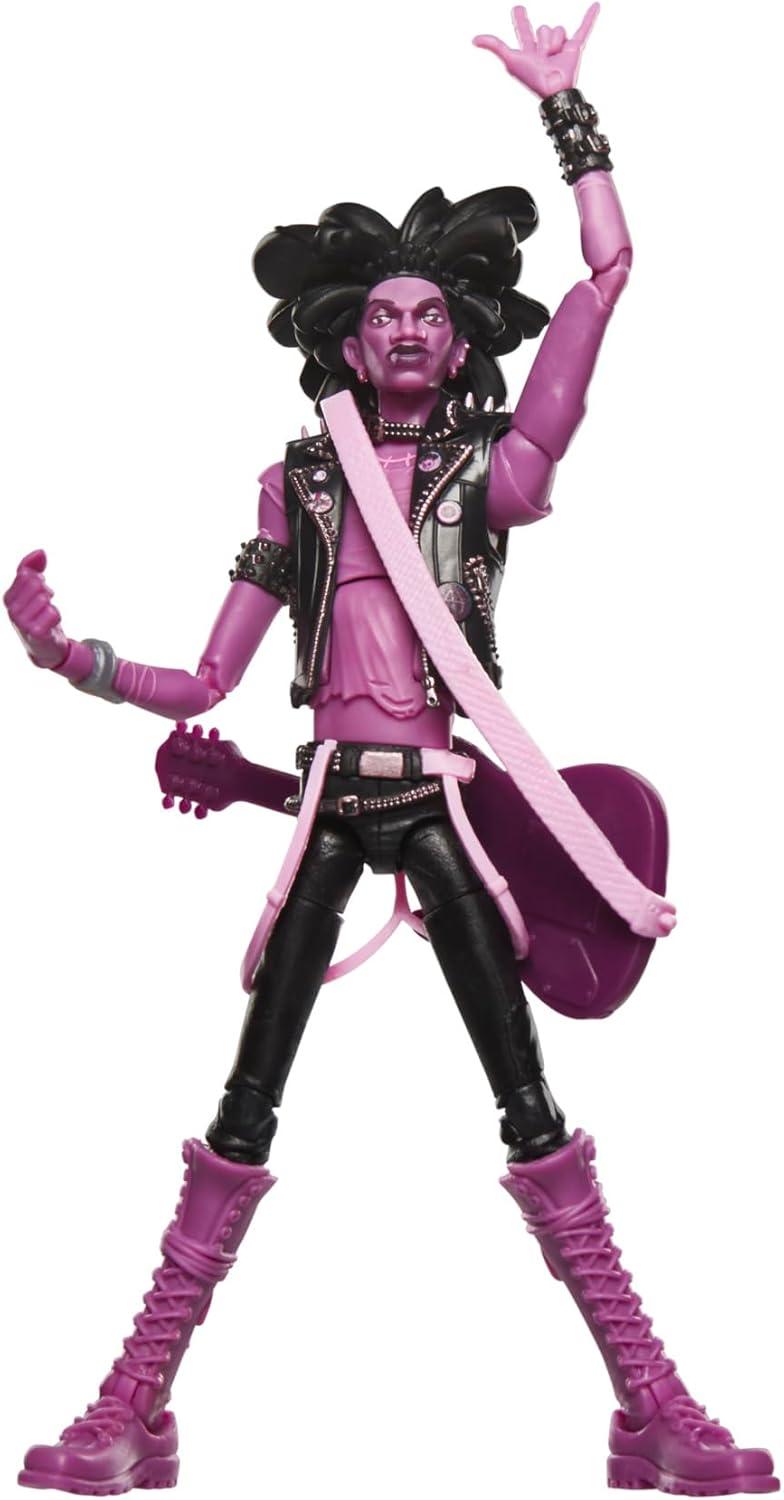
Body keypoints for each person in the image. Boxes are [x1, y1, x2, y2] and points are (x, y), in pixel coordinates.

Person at [4, 7, 778, 1496]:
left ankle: (650, 1405)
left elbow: (609, 280)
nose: (408, 329)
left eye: (431, 313)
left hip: (441, 810)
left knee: (532, 1111)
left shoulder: (494, 471)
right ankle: (135, 1404)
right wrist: (65, 656)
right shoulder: (299, 484)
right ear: (346, 342)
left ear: (463, 335)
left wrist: (570, 117)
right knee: (241, 1112)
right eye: (384, 316)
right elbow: (207, 678)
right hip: (325, 816)